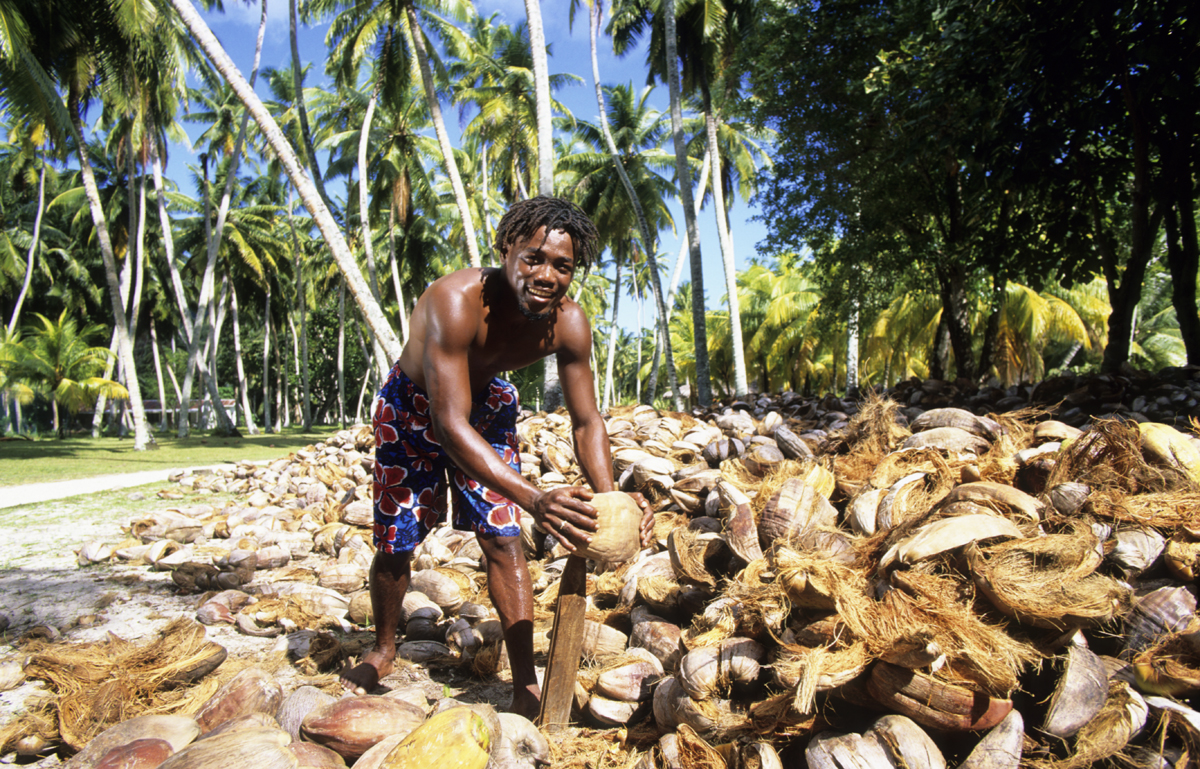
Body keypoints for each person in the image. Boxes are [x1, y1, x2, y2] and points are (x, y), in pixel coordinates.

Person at [340, 196, 653, 718]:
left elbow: (586, 421)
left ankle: (524, 680)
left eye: (562, 266)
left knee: (503, 537)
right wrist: (537, 499)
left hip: (485, 403)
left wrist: (612, 498)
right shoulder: (453, 301)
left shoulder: (569, 324)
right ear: (505, 248)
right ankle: (384, 647)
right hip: (414, 408)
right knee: (397, 539)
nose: (546, 275)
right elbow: (448, 425)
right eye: (533, 257)